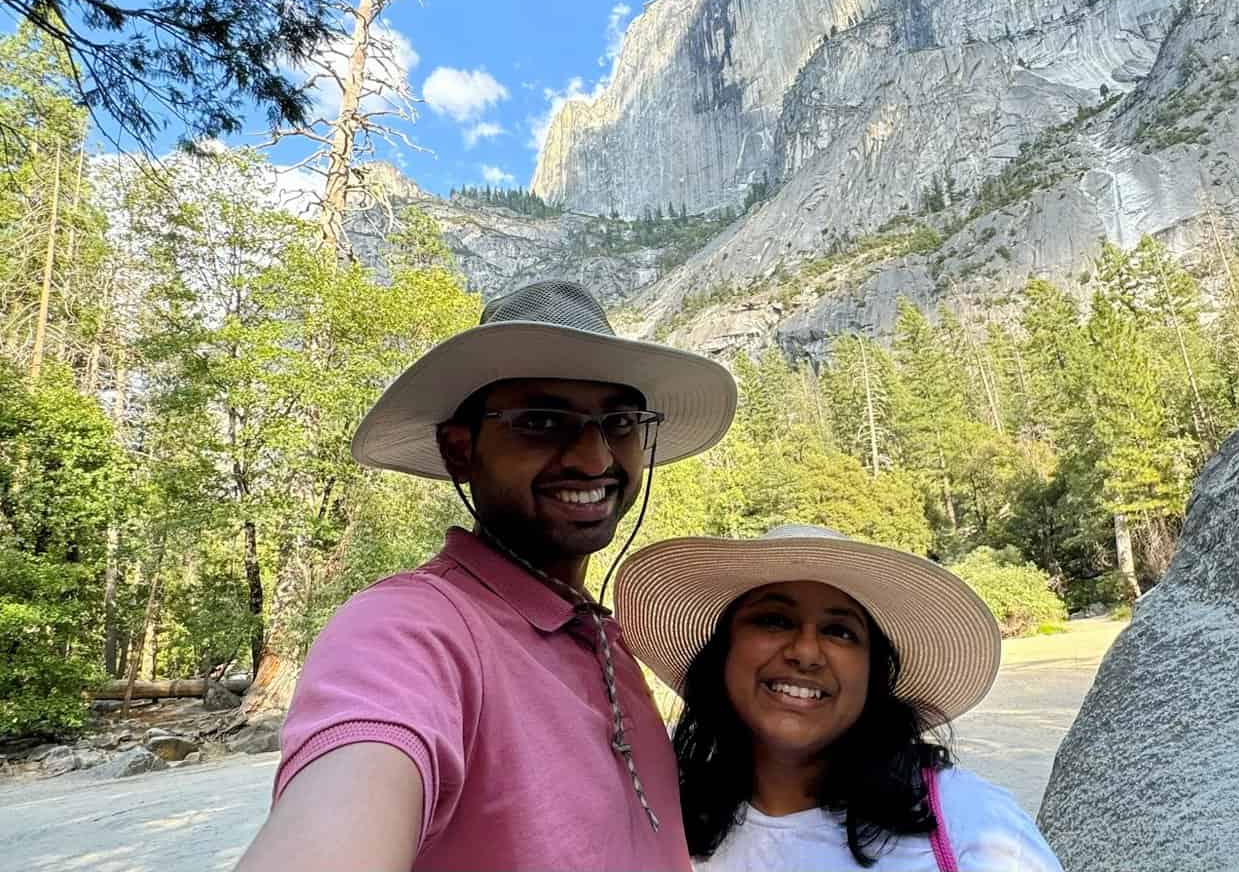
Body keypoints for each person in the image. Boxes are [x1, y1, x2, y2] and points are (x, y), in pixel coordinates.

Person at [234, 281, 738, 872]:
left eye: (621, 421)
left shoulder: (607, 638)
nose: (595, 459)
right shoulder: (409, 629)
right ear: (459, 449)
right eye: (543, 421)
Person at [614, 524, 1062, 872]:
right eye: (774, 620)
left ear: (873, 674)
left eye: (839, 631)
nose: (806, 652)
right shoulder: (658, 819)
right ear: (723, 652)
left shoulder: (972, 821)